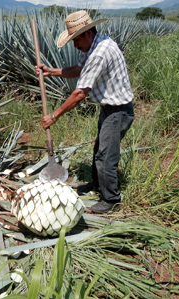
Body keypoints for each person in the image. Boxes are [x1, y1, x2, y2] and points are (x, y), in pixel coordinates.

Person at [36, 10, 134, 214]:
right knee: (99, 151)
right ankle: (98, 186)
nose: (75, 45)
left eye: (76, 40)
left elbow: (80, 93)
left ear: (88, 33)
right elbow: (78, 70)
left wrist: (53, 116)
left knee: (106, 156)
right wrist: (50, 71)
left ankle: (111, 200)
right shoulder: (96, 44)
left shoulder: (99, 53)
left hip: (118, 111)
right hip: (110, 110)